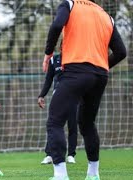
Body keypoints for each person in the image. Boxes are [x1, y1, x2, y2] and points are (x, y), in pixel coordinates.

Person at [43, 0, 126, 179]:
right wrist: (101, 66)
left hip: (76, 71)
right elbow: (121, 52)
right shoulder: (106, 16)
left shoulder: (70, 5)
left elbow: (57, 24)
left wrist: (48, 52)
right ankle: (93, 174)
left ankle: (60, 174)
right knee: (87, 124)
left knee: (55, 121)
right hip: (100, 76)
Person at [38, 53, 77, 164]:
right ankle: (49, 155)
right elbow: (48, 79)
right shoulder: (53, 60)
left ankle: (71, 155)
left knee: (72, 125)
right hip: (58, 97)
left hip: (74, 96)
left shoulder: (76, 57)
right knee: (53, 125)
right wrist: (41, 95)